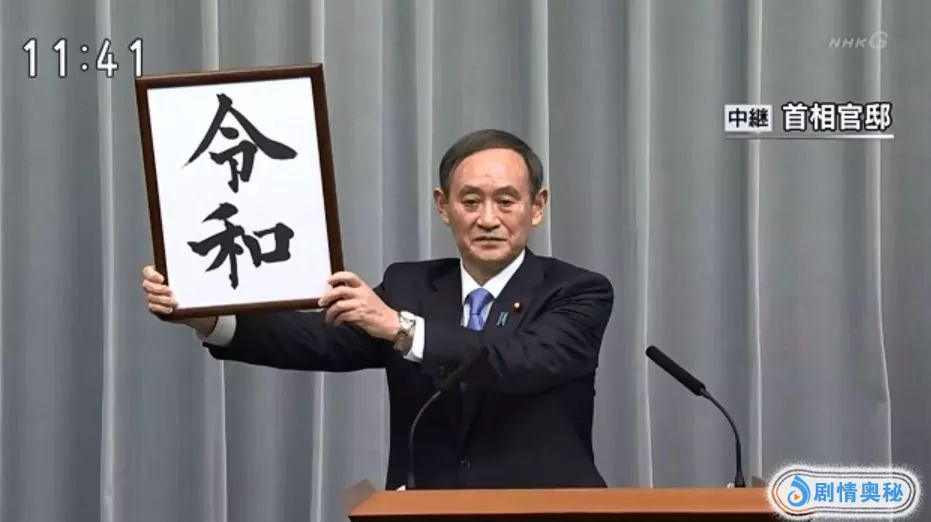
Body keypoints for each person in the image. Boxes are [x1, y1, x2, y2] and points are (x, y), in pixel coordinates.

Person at [142, 129, 614, 489]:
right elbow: (318, 339)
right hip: (424, 513)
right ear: (443, 206)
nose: (488, 218)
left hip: (545, 511)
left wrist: (401, 328)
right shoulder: (411, 286)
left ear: (537, 206)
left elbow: (521, 361)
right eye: (471, 201)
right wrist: (208, 314)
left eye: (506, 201)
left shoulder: (578, 291)